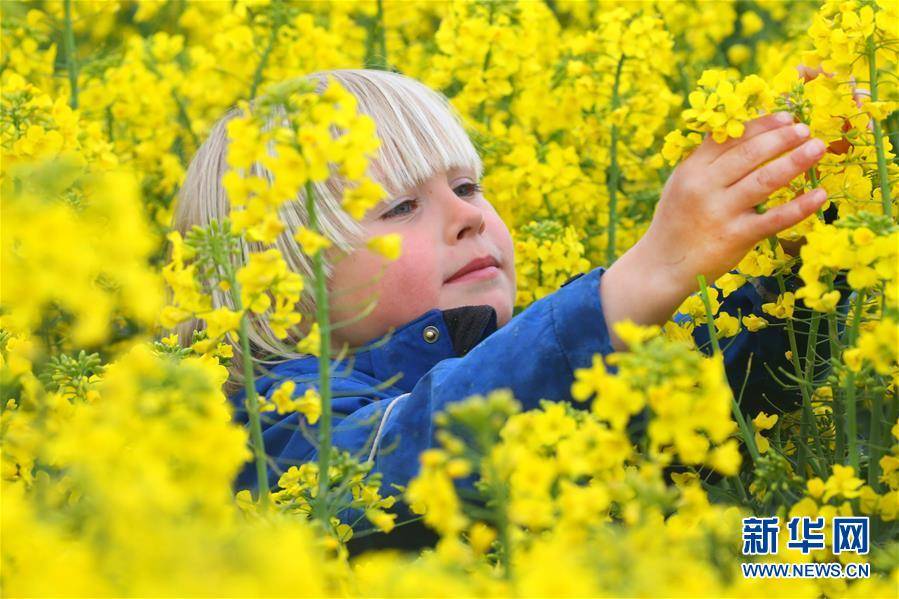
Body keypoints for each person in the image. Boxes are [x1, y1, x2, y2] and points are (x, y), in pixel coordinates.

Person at [173, 69, 844, 550]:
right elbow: (404, 451)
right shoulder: (273, 422)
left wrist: (817, 240)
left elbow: (712, 394)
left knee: (828, 545)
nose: (467, 216)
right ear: (278, 289)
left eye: (466, 185)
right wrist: (638, 281)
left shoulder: (545, 369)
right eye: (401, 206)